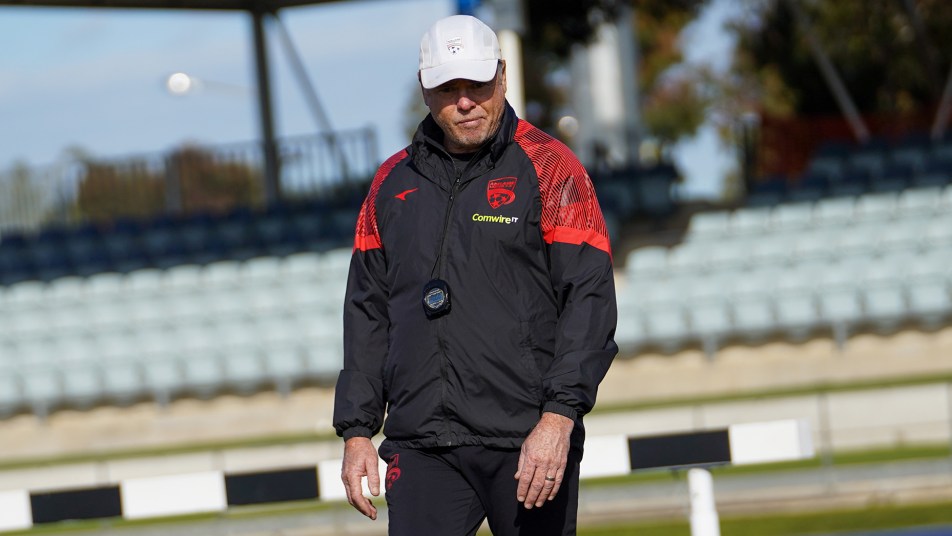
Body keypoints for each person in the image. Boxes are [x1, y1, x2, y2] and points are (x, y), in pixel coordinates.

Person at [333, 14, 618, 536]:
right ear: (425, 89)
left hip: (528, 440)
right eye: (448, 87)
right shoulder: (389, 183)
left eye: (477, 84)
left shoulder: (553, 169)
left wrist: (558, 418)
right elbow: (367, 313)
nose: (465, 101)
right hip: (423, 445)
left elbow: (590, 303)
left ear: (503, 77)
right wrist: (356, 432)